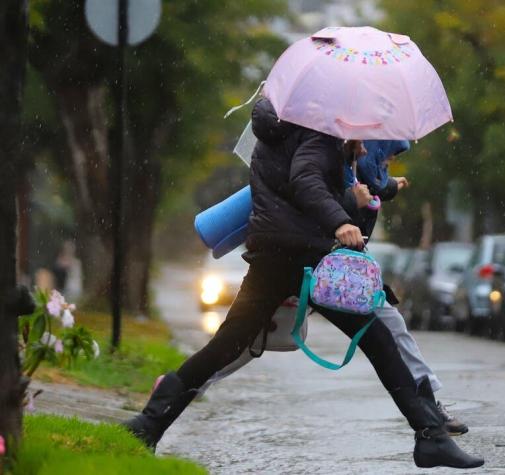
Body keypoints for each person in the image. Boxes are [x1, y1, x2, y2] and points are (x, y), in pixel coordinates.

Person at [123, 97, 484, 469]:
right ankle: (430, 436)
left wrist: (348, 156)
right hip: (306, 256)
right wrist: (340, 220)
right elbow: (306, 181)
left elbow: (291, 185)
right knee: (377, 339)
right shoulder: (316, 132)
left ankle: (149, 424)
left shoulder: (280, 129)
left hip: (272, 256)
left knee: (226, 346)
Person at [345, 140, 468, 435]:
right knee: (246, 334)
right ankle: (429, 417)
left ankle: (429, 413)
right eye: (386, 154)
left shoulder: (359, 171)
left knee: (392, 333)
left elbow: (377, 187)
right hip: (326, 271)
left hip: (347, 270)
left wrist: (391, 186)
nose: (387, 160)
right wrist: (352, 202)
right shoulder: (335, 164)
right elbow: (314, 200)